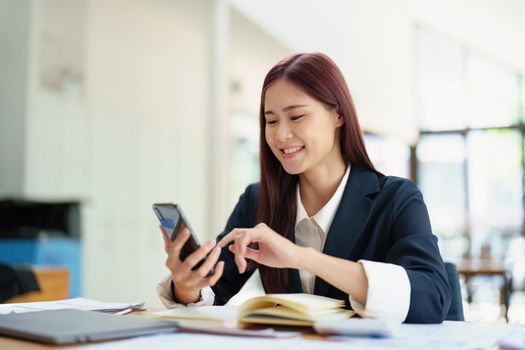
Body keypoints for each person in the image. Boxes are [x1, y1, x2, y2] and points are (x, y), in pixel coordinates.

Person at [157, 52, 451, 323]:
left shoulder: (396, 199)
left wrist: (302, 257)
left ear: (339, 114)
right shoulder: (259, 200)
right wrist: (186, 287)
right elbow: (214, 288)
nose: (281, 135)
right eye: (271, 121)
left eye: (296, 117)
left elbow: (431, 297)